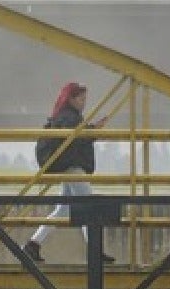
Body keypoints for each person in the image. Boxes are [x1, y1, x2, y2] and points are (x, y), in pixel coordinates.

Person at [22, 81, 115, 264]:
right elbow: (76, 139)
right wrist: (93, 131)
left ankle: (33, 244)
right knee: (88, 206)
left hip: (67, 167)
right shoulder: (69, 117)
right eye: (81, 99)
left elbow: (75, 138)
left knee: (63, 209)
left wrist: (92, 130)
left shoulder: (64, 116)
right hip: (73, 167)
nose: (84, 103)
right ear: (71, 99)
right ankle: (94, 250)